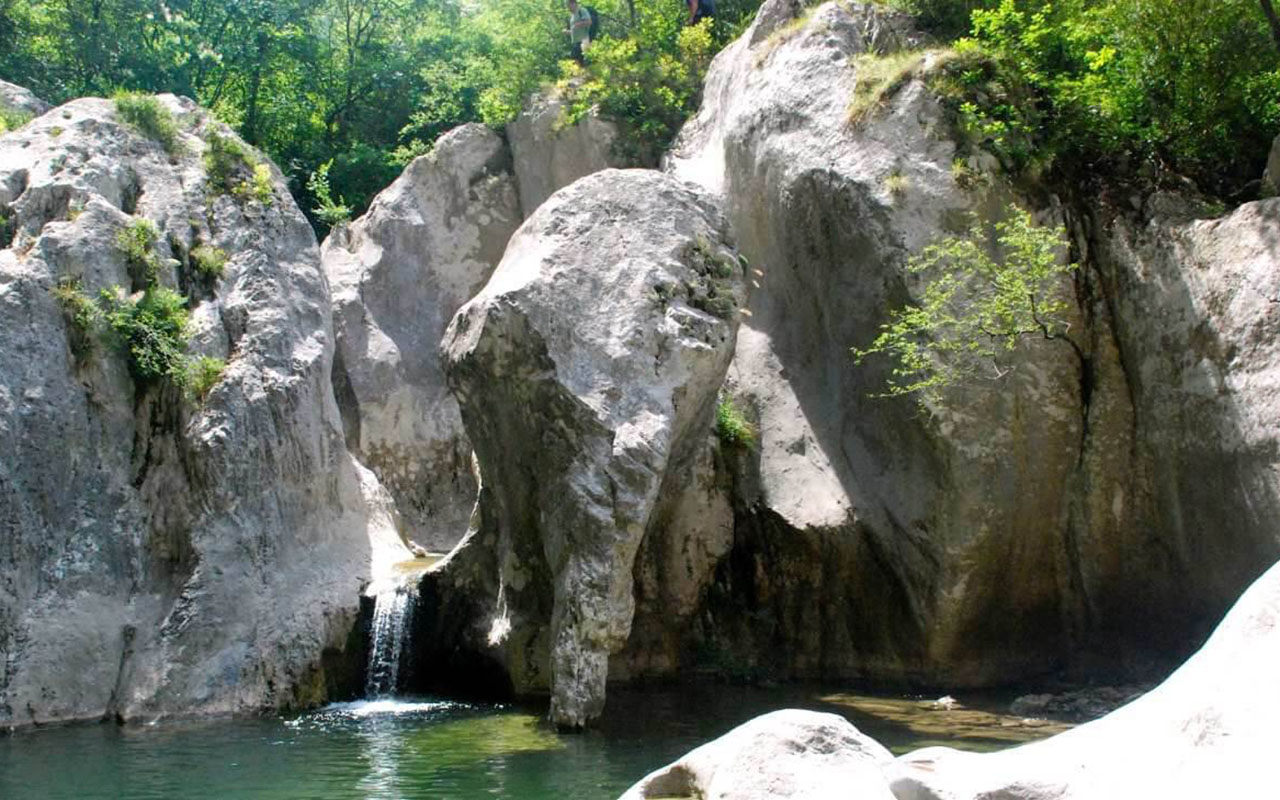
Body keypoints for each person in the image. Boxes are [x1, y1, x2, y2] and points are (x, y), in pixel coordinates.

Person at [566, 0, 593, 64]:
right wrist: (568, 32)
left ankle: (585, 72)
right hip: (575, 42)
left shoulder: (582, 11)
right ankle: (580, 73)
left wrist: (578, 24)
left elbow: (589, 22)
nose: (568, 8)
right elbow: (575, 30)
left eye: (569, 5)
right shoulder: (572, 16)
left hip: (583, 40)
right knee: (575, 60)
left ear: (574, 4)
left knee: (583, 61)